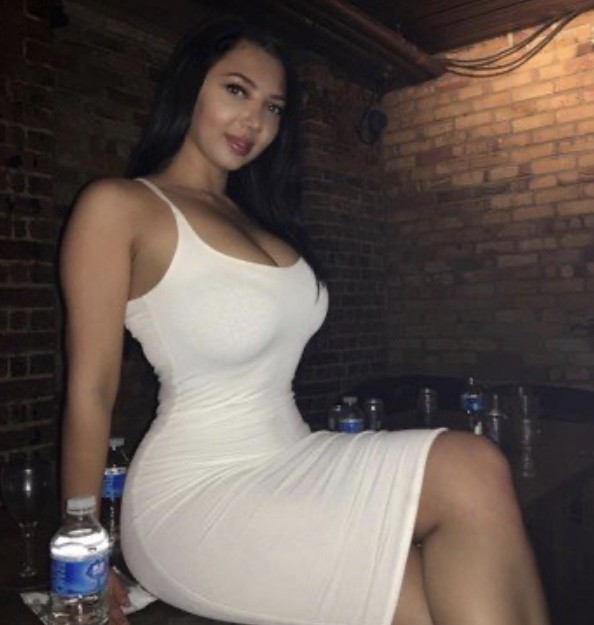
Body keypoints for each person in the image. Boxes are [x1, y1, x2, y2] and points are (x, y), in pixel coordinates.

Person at [59, 17, 551, 625]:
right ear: (189, 87)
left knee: (473, 472)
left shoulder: (258, 218)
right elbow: (91, 388)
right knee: (451, 553)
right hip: (197, 495)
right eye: (236, 90)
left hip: (296, 457)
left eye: (273, 107)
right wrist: (83, 542)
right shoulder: (120, 206)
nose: (254, 121)